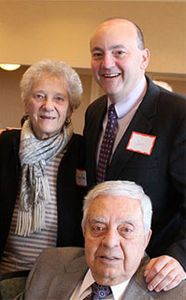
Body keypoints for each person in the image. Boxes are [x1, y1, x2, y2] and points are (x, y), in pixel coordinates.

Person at [83, 18, 186, 292]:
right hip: (103, 268)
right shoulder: (94, 114)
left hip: (156, 276)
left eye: (119, 52)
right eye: (98, 54)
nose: (107, 63)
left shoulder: (178, 115)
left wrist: (180, 258)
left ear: (143, 58)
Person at [17, 181, 186, 299]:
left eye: (125, 230)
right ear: (84, 232)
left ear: (146, 238)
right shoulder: (50, 264)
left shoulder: (177, 295)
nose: (110, 241)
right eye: (98, 228)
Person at [0, 59, 86, 275]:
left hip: (58, 279)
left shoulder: (82, 151)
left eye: (59, 98)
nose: (48, 106)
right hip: (4, 273)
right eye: (39, 96)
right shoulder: (5, 145)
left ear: (71, 109)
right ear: (26, 104)